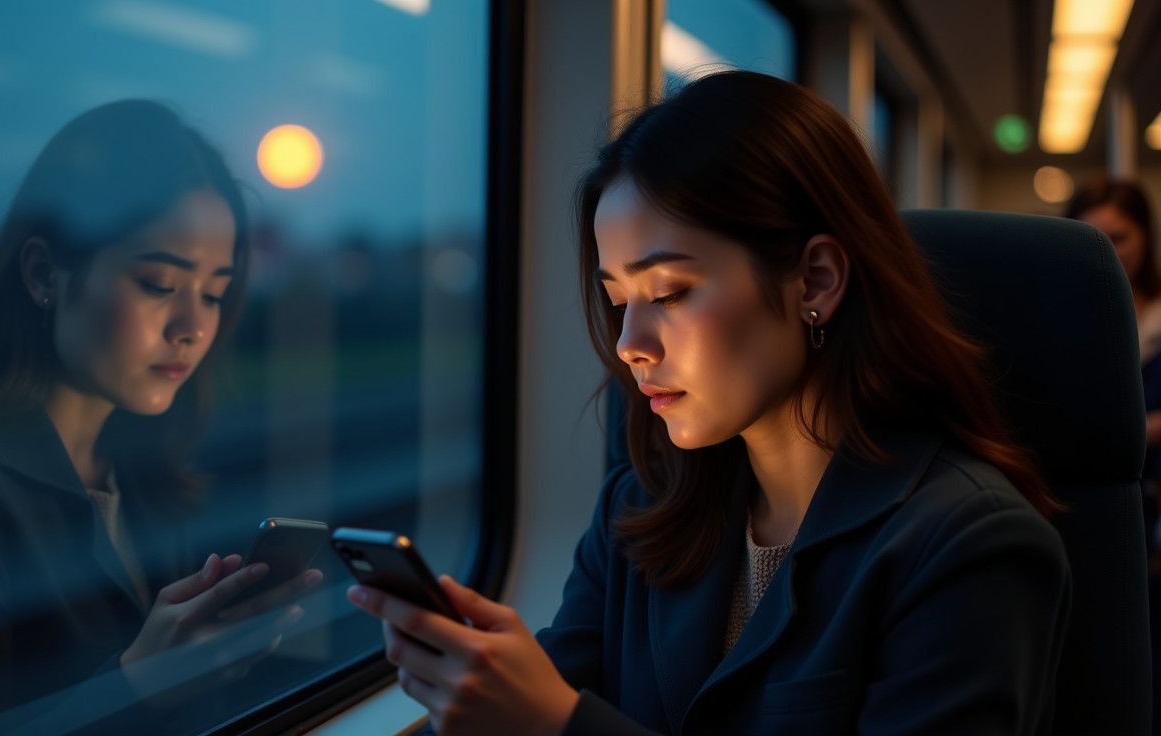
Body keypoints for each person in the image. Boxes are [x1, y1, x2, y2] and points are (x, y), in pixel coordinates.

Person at [346, 71, 1070, 734]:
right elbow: (551, 694)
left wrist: (559, 726)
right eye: (618, 300)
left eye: (669, 293)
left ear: (815, 280)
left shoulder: (969, 544)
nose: (631, 344)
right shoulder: (639, 513)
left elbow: (560, 716)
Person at [0, 100, 316, 733]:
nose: (194, 327)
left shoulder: (142, 457)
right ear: (43, 274)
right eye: (160, 285)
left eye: (215, 293)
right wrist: (137, 684)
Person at [1065, 176, 1161, 733]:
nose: (1107, 252)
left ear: (1146, 239)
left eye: (1119, 238)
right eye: (1092, 237)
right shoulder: (1061, 321)